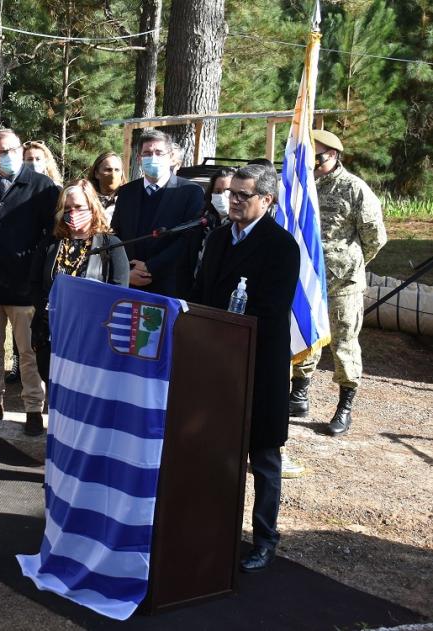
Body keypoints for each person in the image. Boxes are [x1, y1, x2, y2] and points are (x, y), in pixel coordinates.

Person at [192, 163, 300, 573]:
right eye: (230, 194)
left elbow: (272, 311)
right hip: (216, 366)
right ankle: (218, 531)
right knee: (218, 453)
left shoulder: (282, 246)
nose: (232, 201)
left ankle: (265, 538)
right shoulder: (218, 238)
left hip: (259, 369)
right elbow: (201, 292)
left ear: (267, 200)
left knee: (265, 459)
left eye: (243, 195)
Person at [289, 129, 387, 435]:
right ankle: (299, 394)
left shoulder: (353, 188)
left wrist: (349, 264)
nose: (313, 163)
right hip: (307, 279)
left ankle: (344, 407)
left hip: (342, 283)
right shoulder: (301, 187)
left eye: (316, 157)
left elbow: (375, 238)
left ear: (333, 155)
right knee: (306, 333)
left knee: (344, 344)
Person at [0, 129, 59, 436]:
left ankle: (33, 408)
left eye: (13, 149)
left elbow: (51, 236)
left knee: (28, 351)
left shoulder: (43, 187)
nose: (8, 155)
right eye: (1, 152)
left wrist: (33, 267)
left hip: (23, 286)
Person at [30, 180, 130, 386]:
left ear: (92, 207)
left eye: (79, 207)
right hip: (53, 333)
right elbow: (35, 285)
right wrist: (48, 313)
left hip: (93, 337)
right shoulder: (50, 244)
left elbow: (120, 293)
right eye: (67, 208)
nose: (73, 213)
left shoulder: (111, 245)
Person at [111, 128, 203, 298]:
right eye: (147, 153)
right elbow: (116, 234)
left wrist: (151, 267)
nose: (153, 157)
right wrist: (126, 269)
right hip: (129, 283)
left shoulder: (190, 191)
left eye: (159, 152)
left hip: (168, 285)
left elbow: (189, 239)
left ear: (171, 157)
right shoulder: (126, 192)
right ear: (139, 159)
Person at [6, 139, 63, 385]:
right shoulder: (16, 188)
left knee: (36, 320)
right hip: (18, 263)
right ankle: (17, 362)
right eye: (28, 159)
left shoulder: (56, 190)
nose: (33, 163)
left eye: (38, 159)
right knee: (16, 317)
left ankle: (39, 368)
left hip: (44, 263)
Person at [87, 151, 125, 224]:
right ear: (96, 173)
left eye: (117, 170)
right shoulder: (85, 200)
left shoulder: (130, 200)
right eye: (108, 170)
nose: (113, 174)